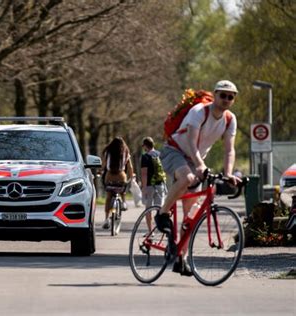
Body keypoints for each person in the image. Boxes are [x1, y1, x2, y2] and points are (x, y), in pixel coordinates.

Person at [155, 80, 242, 276]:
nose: (226, 99)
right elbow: (191, 144)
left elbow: (229, 150)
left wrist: (228, 174)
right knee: (186, 178)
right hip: (174, 151)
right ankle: (162, 214)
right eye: (223, 95)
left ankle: (181, 258)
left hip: (196, 159)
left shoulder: (230, 119)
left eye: (231, 97)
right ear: (215, 94)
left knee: (190, 217)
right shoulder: (199, 111)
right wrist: (201, 165)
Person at [101, 137, 134, 229]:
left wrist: (100, 171)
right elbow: (130, 167)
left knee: (108, 197)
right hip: (121, 176)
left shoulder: (108, 152)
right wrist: (131, 176)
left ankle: (106, 219)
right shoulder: (125, 152)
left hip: (109, 176)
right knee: (122, 188)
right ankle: (123, 202)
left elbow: (103, 165)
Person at [140, 137, 166, 233]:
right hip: (160, 185)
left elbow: (144, 173)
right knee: (160, 209)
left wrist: (144, 188)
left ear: (145, 146)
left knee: (148, 209)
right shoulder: (160, 155)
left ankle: (150, 231)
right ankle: (163, 229)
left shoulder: (145, 156)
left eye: (143, 146)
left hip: (150, 186)